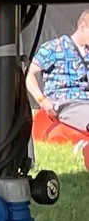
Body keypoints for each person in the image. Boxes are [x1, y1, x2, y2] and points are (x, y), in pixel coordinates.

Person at [28, 9, 89, 138]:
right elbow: (29, 75)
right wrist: (42, 101)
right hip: (66, 103)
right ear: (82, 27)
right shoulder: (53, 48)